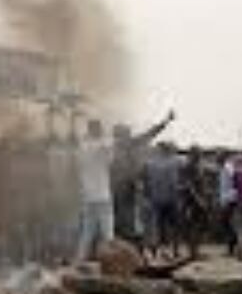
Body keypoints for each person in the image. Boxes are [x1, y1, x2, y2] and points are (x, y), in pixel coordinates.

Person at [110, 111, 175, 247]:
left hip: (128, 186)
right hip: (118, 188)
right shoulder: (111, 149)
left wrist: (165, 121)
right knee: (120, 218)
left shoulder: (129, 144)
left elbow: (151, 133)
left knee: (129, 218)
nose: (122, 138)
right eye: (121, 135)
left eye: (124, 134)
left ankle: (131, 246)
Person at [74, 119, 115, 264]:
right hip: (102, 195)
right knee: (108, 233)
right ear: (97, 130)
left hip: (87, 195)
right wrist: (106, 139)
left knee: (87, 233)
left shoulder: (82, 146)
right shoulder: (103, 145)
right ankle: (111, 262)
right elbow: (110, 158)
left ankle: (79, 261)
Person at [143, 142, 182, 258]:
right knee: (173, 226)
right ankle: (174, 251)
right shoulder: (176, 161)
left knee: (157, 227)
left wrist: (147, 195)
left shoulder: (150, 163)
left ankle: (156, 251)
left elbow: (145, 182)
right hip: (171, 198)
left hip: (156, 199)